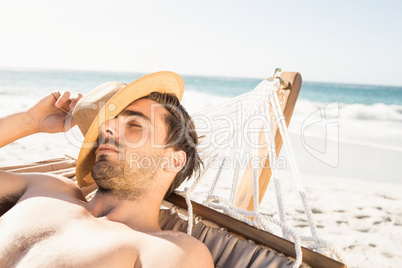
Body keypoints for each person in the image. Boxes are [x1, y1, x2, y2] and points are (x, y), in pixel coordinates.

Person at [0, 71, 214, 267]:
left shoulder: (170, 250)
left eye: (135, 125)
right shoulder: (48, 190)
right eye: (108, 123)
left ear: (174, 161)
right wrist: (29, 121)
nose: (106, 128)